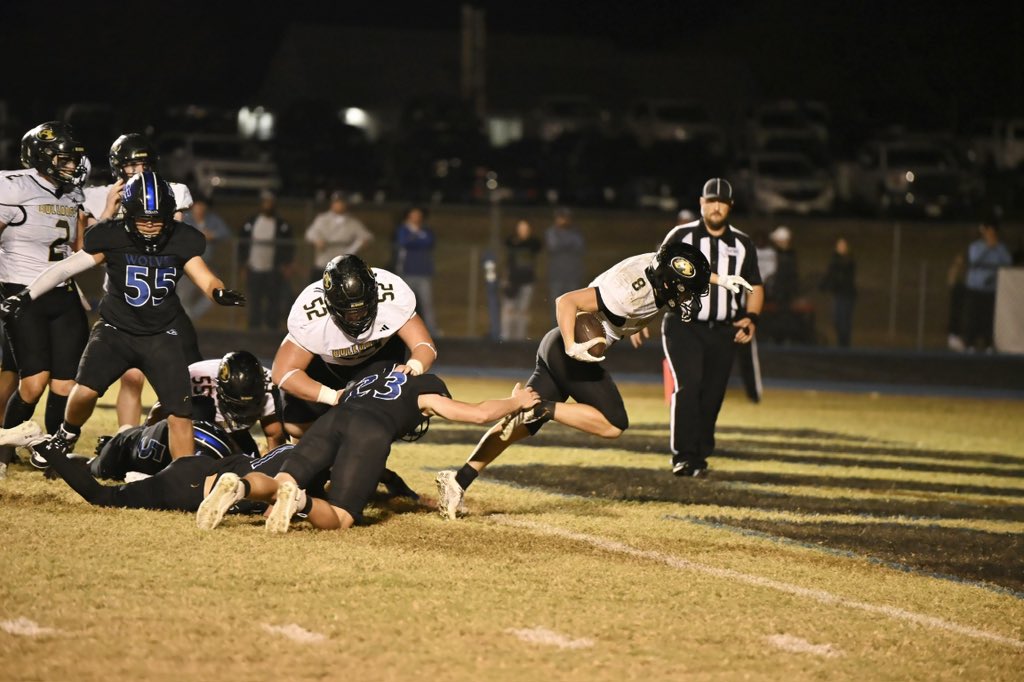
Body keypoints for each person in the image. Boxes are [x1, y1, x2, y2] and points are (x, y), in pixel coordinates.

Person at [434, 241, 753, 519]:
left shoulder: (658, 266)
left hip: (557, 348)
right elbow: (566, 302)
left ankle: (458, 480)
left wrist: (721, 280)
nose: (690, 297)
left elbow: (682, 270)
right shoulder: (625, 293)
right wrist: (574, 345)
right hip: (571, 352)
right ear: (668, 284)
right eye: (687, 291)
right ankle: (543, 408)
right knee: (613, 423)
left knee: (518, 427)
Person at [0, 171, 246, 466]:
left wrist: (217, 292)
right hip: (115, 331)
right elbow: (65, 268)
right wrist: (27, 294)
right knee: (84, 392)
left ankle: (185, 473)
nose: (151, 224)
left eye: (157, 218)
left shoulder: (182, 239)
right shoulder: (112, 235)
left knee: (180, 412)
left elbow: (203, 276)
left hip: (161, 334)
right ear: (128, 215)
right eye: (144, 218)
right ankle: (66, 433)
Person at [196, 362, 540, 532]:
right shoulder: (425, 390)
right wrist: (517, 401)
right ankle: (299, 500)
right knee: (342, 518)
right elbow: (479, 415)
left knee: (283, 481)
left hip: (334, 418)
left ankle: (240, 487)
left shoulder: (368, 379)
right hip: (370, 431)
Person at [80, 133, 201, 433]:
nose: (138, 171)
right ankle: (127, 438)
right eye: (131, 165)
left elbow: (171, 236)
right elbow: (87, 245)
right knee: (131, 376)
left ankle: (183, 429)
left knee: (189, 372)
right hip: (123, 295)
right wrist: (110, 208)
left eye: (144, 164)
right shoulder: (102, 195)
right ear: (117, 167)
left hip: (160, 295)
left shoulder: (169, 192)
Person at [658, 178, 764, 477]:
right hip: (684, 325)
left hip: (723, 329)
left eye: (722, 201)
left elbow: (755, 286)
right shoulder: (681, 235)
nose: (716, 206)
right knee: (689, 386)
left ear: (730, 206)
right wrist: (640, 318)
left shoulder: (742, 243)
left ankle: (700, 454)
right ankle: (684, 456)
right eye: (710, 200)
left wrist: (752, 317)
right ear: (701, 203)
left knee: (713, 393)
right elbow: (658, 274)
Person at [0, 122, 90, 471]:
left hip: (63, 294)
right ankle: (4, 451)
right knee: (33, 383)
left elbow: (77, 248)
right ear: (41, 157)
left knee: (65, 383)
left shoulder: (73, 194)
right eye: (65, 159)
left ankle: (52, 455)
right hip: (22, 294)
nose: (72, 166)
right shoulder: (13, 187)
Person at [271, 253, 437, 438]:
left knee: (377, 422)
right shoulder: (311, 314)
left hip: (378, 359)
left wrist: (413, 367)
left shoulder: (391, 296)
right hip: (328, 367)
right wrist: (332, 397)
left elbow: (424, 345)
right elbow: (283, 372)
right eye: (350, 312)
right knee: (296, 426)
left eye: (363, 308)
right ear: (329, 304)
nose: (358, 317)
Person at [148, 350, 287, 455]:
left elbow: (274, 435)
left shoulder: (271, 388)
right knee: (201, 407)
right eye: (237, 405)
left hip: (237, 434)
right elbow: (161, 407)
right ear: (218, 387)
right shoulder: (196, 377)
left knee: (251, 464)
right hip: (198, 428)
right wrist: (148, 436)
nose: (242, 412)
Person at [239, 191, 295, 331]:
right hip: (254, 268)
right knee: (255, 300)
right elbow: (242, 244)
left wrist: (286, 264)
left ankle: (271, 329)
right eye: (265, 202)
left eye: (270, 202)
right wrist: (243, 264)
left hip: (273, 269)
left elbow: (289, 245)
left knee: (273, 300)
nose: (267, 205)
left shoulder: (281, 224)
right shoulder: (252, 222)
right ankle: (254, 328)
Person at [962, 219, 1013, 352]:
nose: (990, 234)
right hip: (975, 288)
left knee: (989, 317)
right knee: (973, 316)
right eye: (987, 232)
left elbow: (1008, 262)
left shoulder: (1001, 247)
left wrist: (996, 247)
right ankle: (970, 343)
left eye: (992, 232)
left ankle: (988, 344)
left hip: (991, 289)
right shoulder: (976, 246)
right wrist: (987, 247)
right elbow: (974, 259)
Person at [179, 194, 231, 320]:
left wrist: (213, 235)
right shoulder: (186, 219)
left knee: (214, 295)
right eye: (197, 205)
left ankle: (191, 317)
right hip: (187, 265)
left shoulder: (212, 220)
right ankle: (185, 321)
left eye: (202, 205)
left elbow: (227, 233)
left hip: (207, 265)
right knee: (183, 297)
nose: (200, 209)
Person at [304, 190, 373, 282]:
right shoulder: (322, 219)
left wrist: (362, 244)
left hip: (343, 266)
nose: (339, 205)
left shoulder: (352, 222)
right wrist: (317, 240)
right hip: (323, 263)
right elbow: (310, 233)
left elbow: (367, 237)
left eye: (341, 202)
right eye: (336, 202)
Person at [393, 206, 438, 334]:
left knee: (427, 304)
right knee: (405, 304)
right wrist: (416, 237)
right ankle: (401, 330)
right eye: (414, 214)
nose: (417, 217)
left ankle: (432, 330)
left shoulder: (426, 231)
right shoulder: (403, 230)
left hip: (423, 272)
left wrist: (416, 238)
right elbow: (405, 243)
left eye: (419, 215)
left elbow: (429, 242)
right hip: (407, 272)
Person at [500, 219, 542, 340]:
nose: (523, 232)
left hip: (527, 281)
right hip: (512, 281)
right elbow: (508, 244)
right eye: (521, 229)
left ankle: (520, 337)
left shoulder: (532, 243)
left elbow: (537, 246)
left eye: (525, 229)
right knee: (509, 310)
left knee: (523, 310)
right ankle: (505, 337)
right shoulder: (512, 242)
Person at [545, 206, 585, 322]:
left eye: (565, 217)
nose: (563, 220)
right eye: (560, 217)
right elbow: (553, 246)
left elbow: (580, 247)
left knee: (574, 306)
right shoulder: (551, 232)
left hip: (572, 275)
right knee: (556, 306)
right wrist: (568, 244)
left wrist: (564, 243)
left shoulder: (576, 232)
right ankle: (556, 332)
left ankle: (571, 333)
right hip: (556, 276)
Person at [764, 225, 800, 344]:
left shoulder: (787, 256)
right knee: (777, 315)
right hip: (779, 291)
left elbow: (789, 276)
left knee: (784, 315)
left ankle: (783, 337)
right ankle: (778, 337)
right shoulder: (778, 254)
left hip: (784, 292)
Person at [819, 236, 857, 347]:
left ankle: (845, 345)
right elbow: (829, 275)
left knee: (845, 321)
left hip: (848, 295)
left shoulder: (849, 261)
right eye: (839, 245)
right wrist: (823, 285)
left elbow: (842, 277)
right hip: (838, 294)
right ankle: (842, 344)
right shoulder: (834, 260)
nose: (841, 248)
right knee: (837, 320)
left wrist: (831, 283)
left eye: (843, 246)